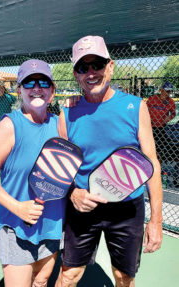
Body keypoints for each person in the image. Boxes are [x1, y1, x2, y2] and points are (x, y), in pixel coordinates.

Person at [55, 35, 163, 287]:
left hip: (127, 209)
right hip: (83, 206)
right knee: (69, 275)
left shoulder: (136, 107)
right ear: (76, 74)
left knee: (124, 278)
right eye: (83, 67)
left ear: (110, 66)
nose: (91, 73)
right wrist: (73, 194)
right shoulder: (67, 112)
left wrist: (155, 220)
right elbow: (62, 168)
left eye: (97, 65)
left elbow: (152, 165)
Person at [0, 59, 67, 287]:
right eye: (29, 83)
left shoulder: (60, 126)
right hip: (17, 227)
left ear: (52, 90)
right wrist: (18, 207)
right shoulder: (8, 126)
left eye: (44, 82)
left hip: (52, 223)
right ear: (20, 90)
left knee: (41, 281)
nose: (37, 88)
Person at [147, 82, 176, 163]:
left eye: (169, 91)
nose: (167, 93)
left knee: (160, 149)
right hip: (149, 127)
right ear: (161, 90)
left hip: (161, 128)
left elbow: (173, 114)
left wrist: (168, 118)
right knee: (147, 147)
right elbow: (145, 109)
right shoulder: (152, 99)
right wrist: (147, 118)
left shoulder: (170, 102)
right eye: (166, 91)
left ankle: (158, 165)